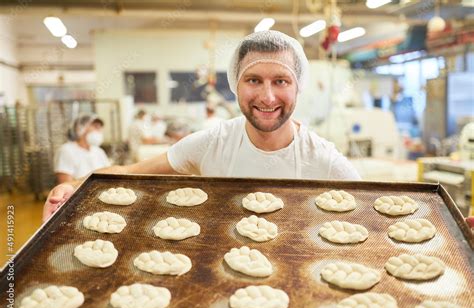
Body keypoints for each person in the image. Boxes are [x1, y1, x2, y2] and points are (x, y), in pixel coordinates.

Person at [42, 30, 474, 228]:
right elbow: (138, 170)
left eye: (280, 81)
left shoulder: (319, 156)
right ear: (236, 86)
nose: (267, 96)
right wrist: (78, 183)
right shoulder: (213, 142)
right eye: (254, 80)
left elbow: (380, 208)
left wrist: (453, 225)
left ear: (297, 87)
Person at [54, 113, 110, 184]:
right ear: (80, 128)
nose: (99, 131)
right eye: (95, 127)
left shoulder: (99, 151)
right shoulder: (66, 150)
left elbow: (109, 175)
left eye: (100, 128)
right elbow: (65, 184)